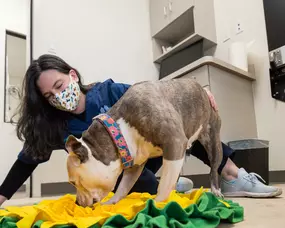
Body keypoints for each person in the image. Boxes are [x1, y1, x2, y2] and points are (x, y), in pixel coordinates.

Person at [0, 54, 281, 207]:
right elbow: (26, 161)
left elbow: (159, 99)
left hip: (153, 150)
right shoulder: (54, 126)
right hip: (128, 172)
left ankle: (231, 175)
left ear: (72, 75)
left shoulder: (109, 91)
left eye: (59, 86)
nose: (57, 97)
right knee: (131, 180)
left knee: (172, 123)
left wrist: (200, 92)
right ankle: (166, 186)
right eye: (49, 96)